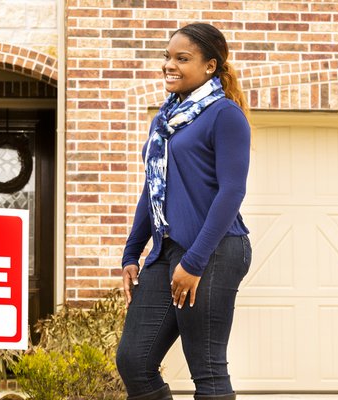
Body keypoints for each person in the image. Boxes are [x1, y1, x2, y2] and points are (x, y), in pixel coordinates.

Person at [115, 22, 253, 400]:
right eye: (167, 57)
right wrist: (132, 252)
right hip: (166, 250)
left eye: (182, 58)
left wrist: (195, 262)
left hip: (214, 250)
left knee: (206, 368)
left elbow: (232, 191)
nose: (169, 65)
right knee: (133, 361)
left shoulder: (225, 116)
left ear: (210, 66)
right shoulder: (164, 122)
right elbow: (153, 188)